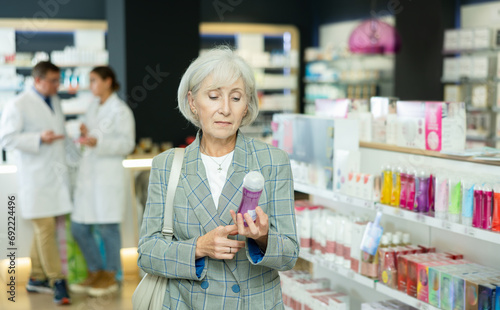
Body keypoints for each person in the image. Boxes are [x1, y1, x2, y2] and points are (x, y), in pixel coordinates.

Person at [137, 46, 298, 309]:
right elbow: (147, 254)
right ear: (192, 102)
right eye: (213, 96)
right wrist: (199, 247)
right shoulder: (167, 165)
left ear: (246, 107)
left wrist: (263, 238)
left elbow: (290, 255)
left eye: (236, 98)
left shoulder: (272, 161)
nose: (225, 109)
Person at [0, 61, 72, 305]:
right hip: (35, 178)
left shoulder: (55, 101)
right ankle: (57, 281)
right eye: (52, 80)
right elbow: (6, 138)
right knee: (45, 228)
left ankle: (37, 277)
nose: (57, 85)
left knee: (46, 227)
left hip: (54, 175)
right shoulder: (18, 104)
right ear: (37, 80)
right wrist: (38, 138)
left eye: (58, 80)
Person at [69, 66, 135, 297]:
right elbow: (94, 137)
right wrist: (87, 132)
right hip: (90, 177)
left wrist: (98, 143)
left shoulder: (120, 110)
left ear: (108, 81)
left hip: (108, 177)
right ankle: (95, 271)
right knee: (79, 228)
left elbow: (127, 144)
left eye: (94, 80)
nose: (91, 85)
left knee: (108, 228)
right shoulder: (93, 107)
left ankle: (110, 275)